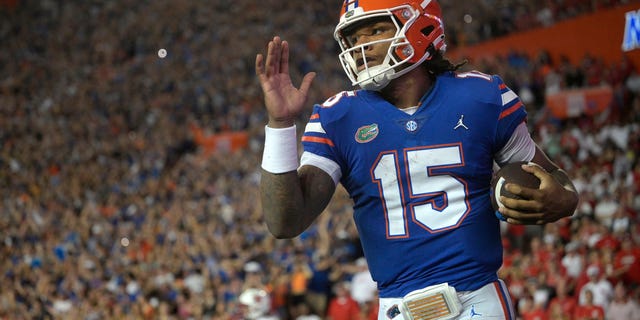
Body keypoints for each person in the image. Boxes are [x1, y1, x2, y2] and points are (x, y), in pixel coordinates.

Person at [255, 0, 579, 319]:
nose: (361, 46)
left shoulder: (482, 97)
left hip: (476, 300)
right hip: (395, 308)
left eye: (375, 30)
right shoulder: (337, 116)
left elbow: (553, 179)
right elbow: (285, 222)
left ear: (420, 27)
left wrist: (562, 198)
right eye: (354, 39)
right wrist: (281, 125)